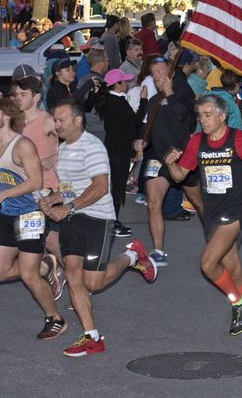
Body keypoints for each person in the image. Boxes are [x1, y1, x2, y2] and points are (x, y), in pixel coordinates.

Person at [38, 99, 157, 357]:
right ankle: (92, 337)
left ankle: (132, 256)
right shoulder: (64, 148)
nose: (56, 125)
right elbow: (71, 187)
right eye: (55, 120)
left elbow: (100, 186)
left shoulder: (91, 146)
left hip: (96, 217)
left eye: (61, 120)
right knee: (73, 274)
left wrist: (67, 207)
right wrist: (53, 198)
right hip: (72, 217)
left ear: (77, 120)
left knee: (93, 282)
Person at [164, 94, 242, 343]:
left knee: (207, 264)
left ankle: (238, 302)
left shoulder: (240, 139)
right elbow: (181, 175)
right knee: (234, 273)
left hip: (235, 212)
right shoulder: (196, 142)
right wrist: (170, 163)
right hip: (212, 214)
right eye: (200, 115)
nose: (202, 120)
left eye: (207, 115)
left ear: (222, 115)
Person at [0, 98, 67, 339]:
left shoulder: (23, 145)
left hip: (31, 215)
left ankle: (55, 318)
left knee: (29, 275)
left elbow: (36, 182)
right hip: (7, 214)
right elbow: (1, 179)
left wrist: (2, 196)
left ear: (6, 116)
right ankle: (46, 265)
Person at [139, 56, 202, 265]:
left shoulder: (183, 95)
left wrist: (170, 94)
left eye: (161, 70)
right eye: (153, 72)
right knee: (153, 203)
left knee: (199, 202)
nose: (157, 75)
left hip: (182, 158)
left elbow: (185, 117)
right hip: (159, 158)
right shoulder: (152, 102)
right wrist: (139, 142)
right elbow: (146, 131)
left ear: (170, 72)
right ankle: (158, 251)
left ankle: (216, 240)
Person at [9, 69, 65, 292]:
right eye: (16, 95)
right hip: (24, 190)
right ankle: (53, 272)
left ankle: (75, 280)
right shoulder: (15, 122)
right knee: (34, 242)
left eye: (23, 94)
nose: (17, 98)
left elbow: (73, 140)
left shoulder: (48, 121)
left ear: (36, 97)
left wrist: (54, 156)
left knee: (51, 241)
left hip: (48, 190)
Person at [101, 69, 140, 237]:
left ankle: (113, 220)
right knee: (117, 188)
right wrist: (144, 100)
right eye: (124, 81)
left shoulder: (110, 100)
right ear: (116, 85)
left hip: (114, 148)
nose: (127, 83)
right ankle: (114, 222)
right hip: (119, 150)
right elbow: (136, 120)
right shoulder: (118, 103)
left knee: (115, 187)